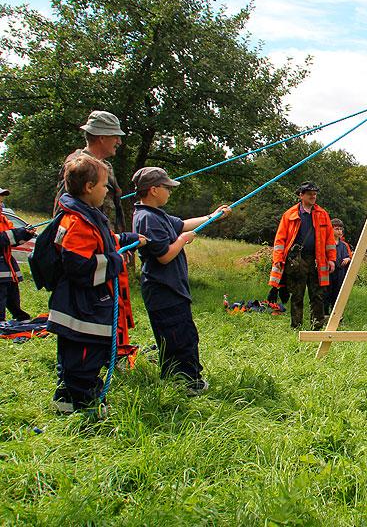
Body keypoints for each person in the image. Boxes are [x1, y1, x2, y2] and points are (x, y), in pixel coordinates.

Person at [46, 155, 145, 413]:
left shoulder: (87, 216)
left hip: (84, 305)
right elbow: (79, 267)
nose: (107, 191)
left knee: (81, 356)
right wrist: (115, 261)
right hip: (81, 308)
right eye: (104, 186)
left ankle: (67, 400)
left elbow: (101, 239)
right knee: (83, 358)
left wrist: (126, 238)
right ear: (89, 187)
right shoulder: (76, 222)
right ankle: (85, 405)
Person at [131, 167, 231, 395]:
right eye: (167, 188)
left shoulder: (156, 214)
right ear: (154, 190)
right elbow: (164, 255)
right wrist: (183, 241)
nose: (170, 192)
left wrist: (212, 217)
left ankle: (179, 379)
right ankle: (186, 383)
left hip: (172, 287)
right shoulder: (147, 218)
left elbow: (184, 224)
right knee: (179, 337)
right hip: (162, 288)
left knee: (181, 334)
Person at [267, 182, 336, 330]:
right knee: (297, 295)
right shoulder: (289, 214)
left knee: (317, 296)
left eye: (315, 193)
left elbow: (330, 240)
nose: (313, 196)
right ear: (301, 195)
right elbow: (280, 240)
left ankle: (316, 327)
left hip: (317, 260)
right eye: (309, 193)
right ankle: (296, 327)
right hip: (296, 260)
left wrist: (331, 259)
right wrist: (278, 258)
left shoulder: (323, 214)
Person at [55, 110, 127, 232]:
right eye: (116, 136)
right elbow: (62, 211)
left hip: (108, 244)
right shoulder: (76, 165)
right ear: (102, 137)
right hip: (86, 246)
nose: (119, 142)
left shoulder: (106, 166)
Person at [0, 186, 36, 321]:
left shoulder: (3, 219)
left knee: (13, 297)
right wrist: (18, 233)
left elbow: (12, 240)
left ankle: (22, 319)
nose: (1, 203)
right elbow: (3, 238)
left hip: (7, 268)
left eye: (1, 200)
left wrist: (26, 234)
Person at [325, 218, 353, 314]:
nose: (340, 231)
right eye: (337, 229)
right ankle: (325, 315)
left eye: (341, 229)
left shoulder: (344, 245)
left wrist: (348, 259)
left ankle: (336, 315)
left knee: (337, 295)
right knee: (326, 295)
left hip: (340, 273)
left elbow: (350, 257)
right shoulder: (326, 243)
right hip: (328, 273)